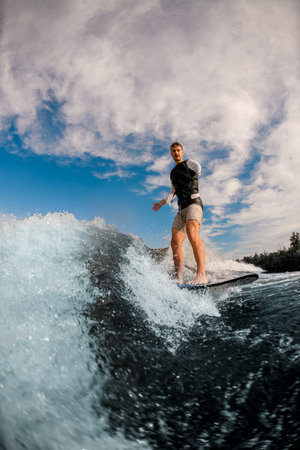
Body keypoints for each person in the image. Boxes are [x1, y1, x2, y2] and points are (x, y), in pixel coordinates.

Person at [152, 142, 208, 285]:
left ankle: (201, 274)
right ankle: (178, 277)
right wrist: (161, 203)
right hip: (181, 209)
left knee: (192, 232)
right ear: (171, 153)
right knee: (175, 243)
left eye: (178, 150)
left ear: (182, 152)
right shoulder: (172, 173)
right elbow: (172, 193)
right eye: (173, 151)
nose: (176, 153)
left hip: (194, 203)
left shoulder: (190, 164)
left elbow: (199, 171)